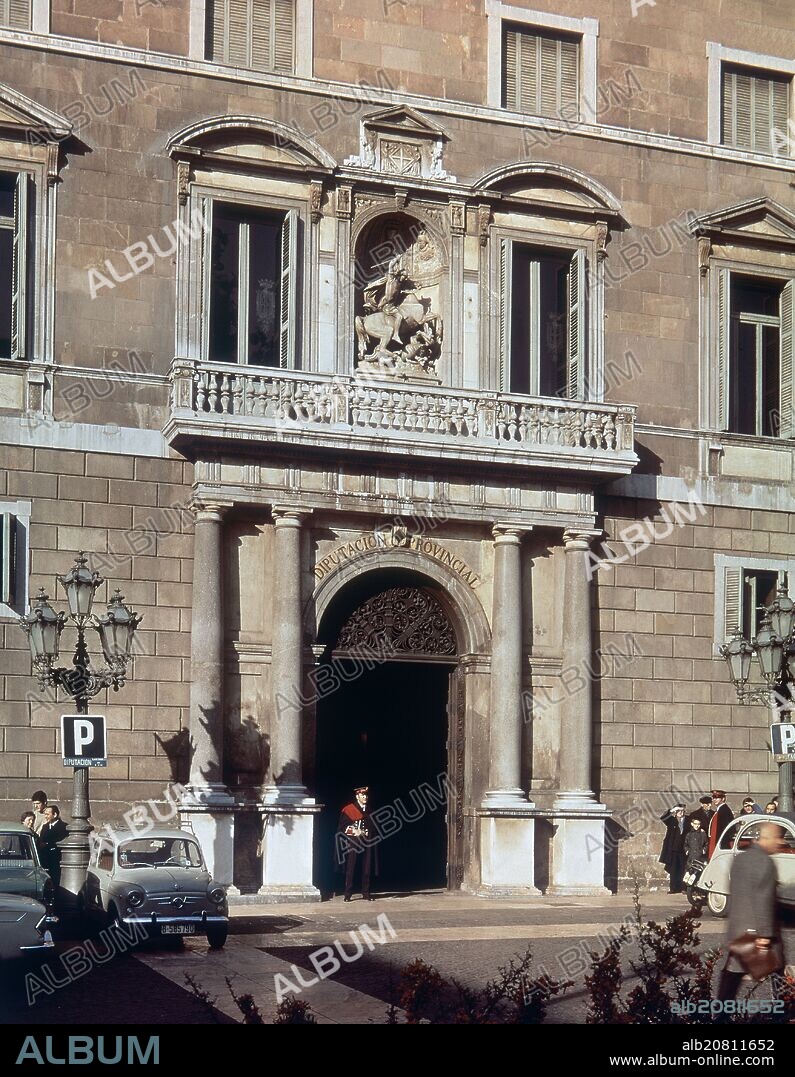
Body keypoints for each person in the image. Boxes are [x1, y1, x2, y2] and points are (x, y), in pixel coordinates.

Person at [717, 823, 786, 1002]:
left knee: (732, 975)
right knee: (778, 972)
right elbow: (763, 900)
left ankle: (720, 1014)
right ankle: (785, 1013)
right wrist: (764, 935)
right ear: (767, 838)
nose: (779, 842)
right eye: (777, 838)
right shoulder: (765, 862)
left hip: (738, 931)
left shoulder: (741, 858)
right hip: (757, 934)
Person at [336, 786, 378, 902]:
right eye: (362, 795)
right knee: (351, 867)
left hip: (367, 841)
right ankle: (348, 894)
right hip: (353, 841)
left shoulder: (369, 810)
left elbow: (374, 826)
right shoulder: (349, 809)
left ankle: (366, 893)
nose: (365, 797)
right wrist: (354, 831)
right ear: (357, 796)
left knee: (367, 868)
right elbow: (342, 827)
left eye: (366, 795)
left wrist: (367, 831)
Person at [659, 804, 686, 894]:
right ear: (675, 812)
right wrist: (671, 810)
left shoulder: (687, 820)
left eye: (682, 811)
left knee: (683, 869)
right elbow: (663, 817)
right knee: (673, 869)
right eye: (679, 811)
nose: (681, 813)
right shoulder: (672, 820)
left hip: (683, 849)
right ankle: (674, 888)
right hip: (673, 848)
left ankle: (683, 888)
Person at [38, 804, 67, 888]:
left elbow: (61, 842)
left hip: (56, 859)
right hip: (46, 860)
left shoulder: (64, 827)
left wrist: (48, 844)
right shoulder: (45, 826)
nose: (46, 816)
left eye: (48, 814)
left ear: (55, 815)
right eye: (45, 814)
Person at [708, 790, 734, 858]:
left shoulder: (724, 810)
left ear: (723, 799)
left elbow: (726, 829)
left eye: (717, 798)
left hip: (722, 844)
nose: (714, 800)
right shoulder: (720, 810)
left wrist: (721, 845)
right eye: (713, 798)